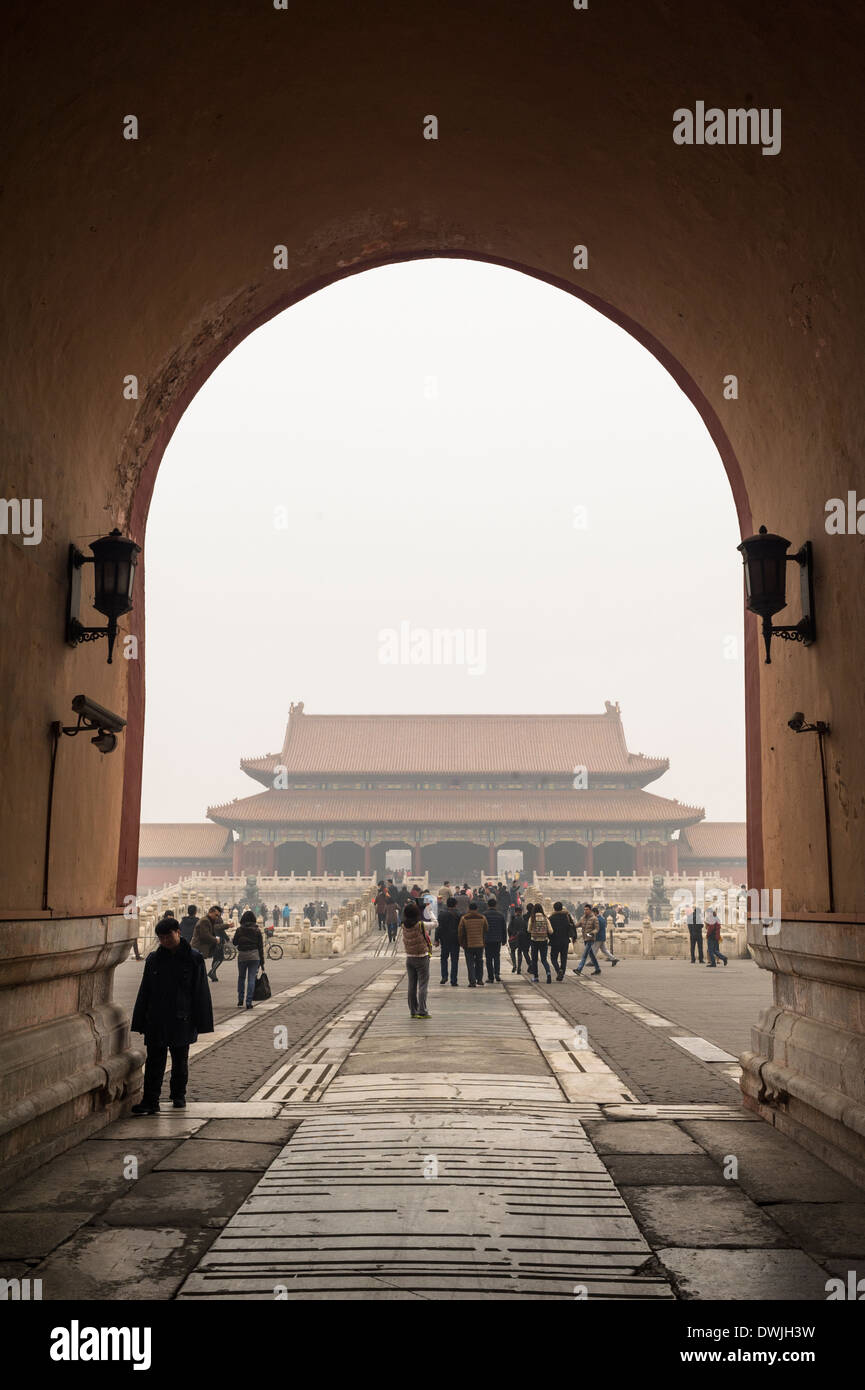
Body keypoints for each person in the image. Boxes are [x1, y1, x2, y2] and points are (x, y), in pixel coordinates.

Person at [130, 915, 214, 1113]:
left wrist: (201, 1022)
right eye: (161, 938)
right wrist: (140, 1019)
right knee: (154, 1062)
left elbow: (200, 991)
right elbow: (145, 991)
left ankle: (178, 1095)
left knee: (180, 1061)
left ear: (178, 932)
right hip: (157, 1018)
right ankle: (150, 1100)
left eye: (168, 936)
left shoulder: (194, 958)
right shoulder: (153, 959)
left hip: (182, 1018)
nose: (165, 941)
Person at [402, 900, 431, 1019]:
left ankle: (413, 1010)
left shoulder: (404, 925)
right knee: (423, 985)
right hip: (421, 958)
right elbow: (436, 923)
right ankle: (422, 1010)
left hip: (409, 958)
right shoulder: (420, 925)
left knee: (411, 985)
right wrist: (429, 911)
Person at [233, 909, 265, 1009]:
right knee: (251, 979)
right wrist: (262, 962)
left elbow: (234, 943)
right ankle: (249, 1002)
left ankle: (240, 1000)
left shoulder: (239, 930)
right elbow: (260, 947)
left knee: (241, 978)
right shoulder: (257, 930)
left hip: (242, 956)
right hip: (254, 956)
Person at [458, 899, 487, 987]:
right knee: (479, 961)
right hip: (479, 943)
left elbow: (460, 932)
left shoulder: (464, 918)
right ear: (477, 908)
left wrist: (461, 943)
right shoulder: (482, 917)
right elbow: (486, 929)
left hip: (468, 944)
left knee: (470, 963)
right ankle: (480, 980)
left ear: (469, 908)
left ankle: (472, 981)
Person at [190, 904, 221, 982]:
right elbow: (205, 935)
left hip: (200, 948)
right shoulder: (205, 921)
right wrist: (215, 940)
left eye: (218, 916)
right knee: (197, 967)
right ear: (210, 912)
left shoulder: (208, 920)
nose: (217, 917)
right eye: (216, 915)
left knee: (198, 966)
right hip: (198, 948)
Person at [435, 896, 462, 985]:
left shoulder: (442, 914)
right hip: (455, 940)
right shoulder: (459, 914)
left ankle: (444, 976)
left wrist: (436, 939)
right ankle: (453, 980)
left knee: (443, 958)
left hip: (444, 939)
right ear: (456, 904)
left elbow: (438, 927)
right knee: (454, 960)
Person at [549, 901, 577, 980]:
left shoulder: (551, 918)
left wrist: (550, 939)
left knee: (553, 958)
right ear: (562, 908)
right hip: (565, 941)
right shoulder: (567, 916)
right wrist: (574, 938)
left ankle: (558, 971)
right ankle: (562, 972)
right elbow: (573, 927)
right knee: (563, 958)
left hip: (555, 941)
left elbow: (549, 930)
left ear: (554, 908)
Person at [483, 897, 508, 982]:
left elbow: (482, 928)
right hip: (497, 939)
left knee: (488, 958)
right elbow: (504, 929)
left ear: (488, 905)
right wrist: (504, 940)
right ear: (496, 905)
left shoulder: (484, 915)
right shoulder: (500, 915)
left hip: (487, 939)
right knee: (497, 957)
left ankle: (490, 977)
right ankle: (497, 973)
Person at [573, 905, 602, 976]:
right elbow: (577, 925)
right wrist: (571, 925)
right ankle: (597, 969)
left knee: (585, 954)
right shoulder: (583, 918)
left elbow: (597, 929)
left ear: (590, 910)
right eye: (584, 909)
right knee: (591, 955)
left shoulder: (594, 918)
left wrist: (592, 933)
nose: (585, 911)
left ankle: (579, 969)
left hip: (591, 938)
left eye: (587, 909)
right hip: (585, 938)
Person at [528, 905, 553, 983]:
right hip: (544, 940)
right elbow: (551, 931)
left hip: (534, 941)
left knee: (534, 960)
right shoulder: (546, 918)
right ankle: (548, 973)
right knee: (544, 959)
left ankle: (536, 977)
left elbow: (528, 930)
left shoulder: (532, 918)